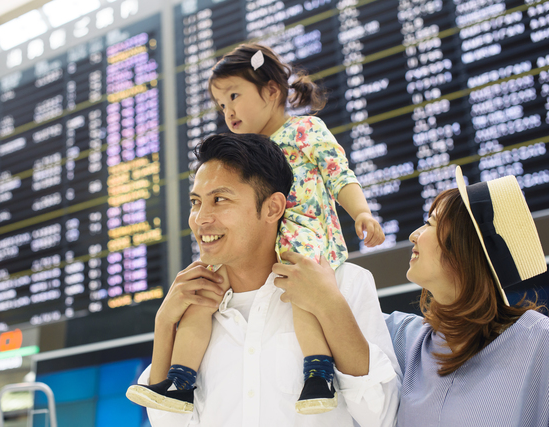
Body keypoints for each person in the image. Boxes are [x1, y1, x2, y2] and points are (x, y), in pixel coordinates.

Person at [127, 42, 387, 415]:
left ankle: (317, 371)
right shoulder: (244, 155)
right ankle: (179, 382)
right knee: (198, 305)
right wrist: (165, 322)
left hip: (304, 244)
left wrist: (361, 212)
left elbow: (337, 173)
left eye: (234, 96)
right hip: (263, 258)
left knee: (304, 298)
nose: (228, 110)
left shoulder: (304, 132)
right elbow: (169, 425)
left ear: (271, 91)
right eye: (221, 104)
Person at [385, 166, 549, 427]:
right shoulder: (403, 339)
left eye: (430, 223)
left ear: (464, 246)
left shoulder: (540, 343)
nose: (413, 234)